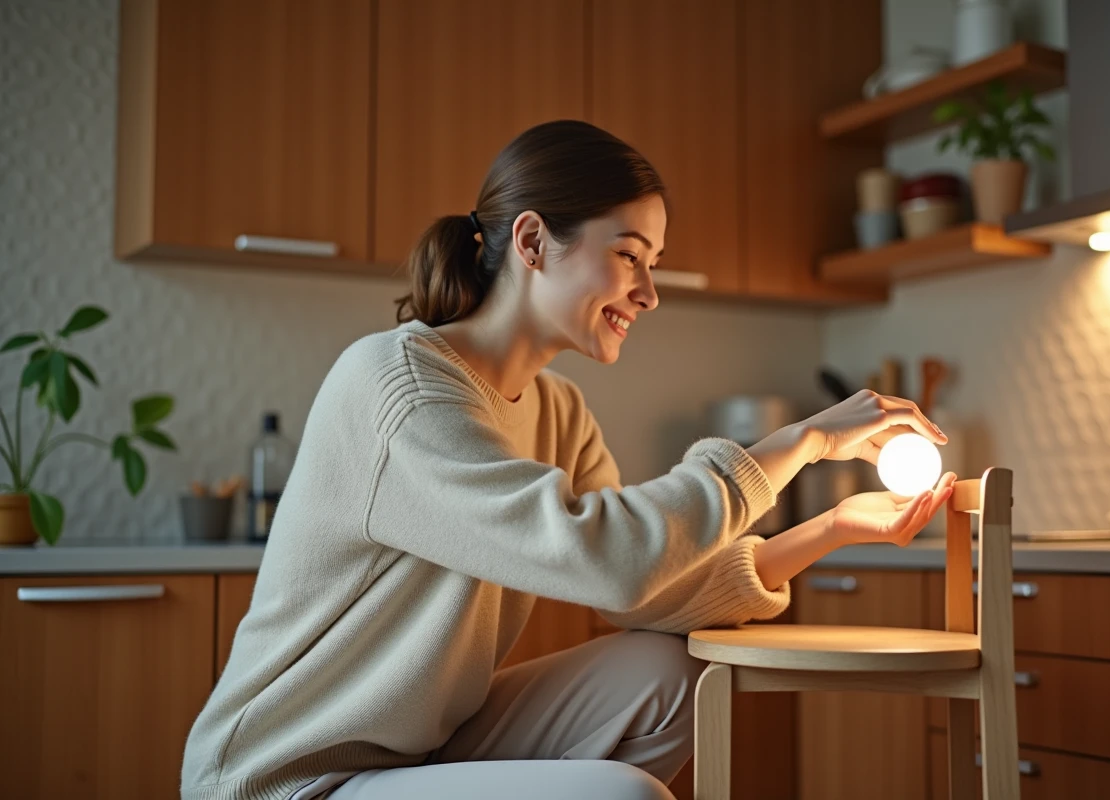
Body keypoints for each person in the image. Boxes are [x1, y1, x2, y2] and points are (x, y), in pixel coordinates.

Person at [180, 120, 954, 800]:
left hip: (416, 752)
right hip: (289, 780)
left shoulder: (556, 408)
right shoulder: (401, 388)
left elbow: (645, 591)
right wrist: (804, 440)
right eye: (629, 256)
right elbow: (606, 558)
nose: (649, 292)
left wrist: (832, 529)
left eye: (653, 263)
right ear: (531, 242)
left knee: (674, 675)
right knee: (622, 797)